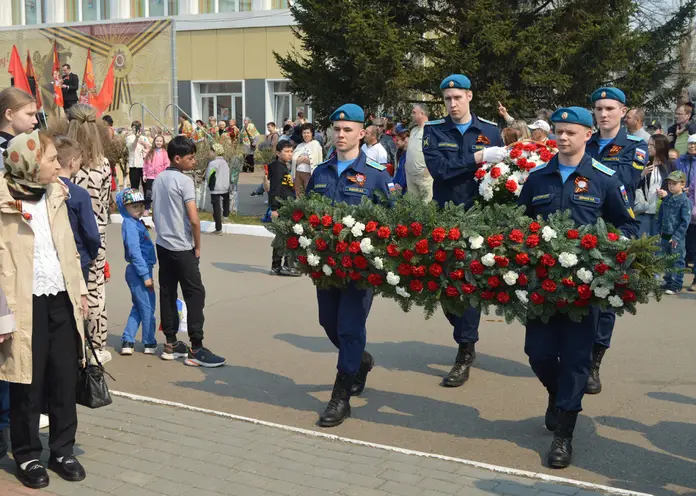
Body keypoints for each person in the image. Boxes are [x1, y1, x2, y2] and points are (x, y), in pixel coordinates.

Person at [519, 106, 638, 469]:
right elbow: (518, 226)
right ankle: (558, 397)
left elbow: (628, 229)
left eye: (571, 131)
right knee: (537, 353)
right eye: (559, 131)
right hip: (544, 288)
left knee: (574, 360)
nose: (563, 137)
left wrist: (602, 258)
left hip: (584, 293)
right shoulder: (539, 178)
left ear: (588, 135)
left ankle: (564, 433)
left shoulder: (603, 178)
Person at [0, 130, 90, 489]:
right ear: (31, 164)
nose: (58, 164)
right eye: (52, 159)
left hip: (62, 298)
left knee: (65, 376)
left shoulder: (56, 193)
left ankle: (63, 450)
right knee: (27, 381)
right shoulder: (3, 200)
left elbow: (67, 248)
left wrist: (80, 290)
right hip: (21, 303)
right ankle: (26, 455)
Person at [306, 104, 393, 428]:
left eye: (347, 130)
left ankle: (340, 398)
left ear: (361, 133)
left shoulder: (375, 173)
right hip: (327, 268)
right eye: (336, 129)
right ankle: (360, 361)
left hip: (360, 270)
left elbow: (392, 217)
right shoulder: (321, 172)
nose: (340, 135)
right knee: (328, 323)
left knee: (349, 327)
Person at [422, 74, 506, 388]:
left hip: (478, 218)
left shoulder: (489, 130)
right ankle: (464, 336)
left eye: (458, 97)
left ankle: (465, 350)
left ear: (469, 96)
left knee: (468, 283)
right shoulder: (433, 131)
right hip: (444, 216)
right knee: (444, 287)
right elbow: (439, 170)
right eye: (447, 98)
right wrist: (477, 157)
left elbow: (500, 177)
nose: (453, 104)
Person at [585, 87, 647, 396]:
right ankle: (574, 356)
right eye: (599, 108)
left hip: (615, 225)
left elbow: (621, 181)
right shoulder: (588, 141)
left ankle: (594, 364)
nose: (604, 114)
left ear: (623, 112)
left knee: (605, 297)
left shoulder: (634, 146)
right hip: (581, 224)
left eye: (610, 108)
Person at [151, 136, 226, 367]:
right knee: (195, 294)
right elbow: (194, 219)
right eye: (190, 158)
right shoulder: (184, 182)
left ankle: (171, 343)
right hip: (183, 246)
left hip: (163, 244)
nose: (193, 161)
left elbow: (155, 212)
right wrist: (198, 246)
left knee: (168, 292)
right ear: (177, 158)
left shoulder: (158, 179)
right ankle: (196, 347)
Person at [0, 88, 40, 453]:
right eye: (29, 114)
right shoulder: (4, 153)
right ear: (10, 115)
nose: (34, 121)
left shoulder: (22, 150)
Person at [68, 104, 112, 366]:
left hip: (66, 233)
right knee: (95, 290)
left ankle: (75, 344)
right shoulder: (103, 165)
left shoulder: (63, 163)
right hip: (96, 233)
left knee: (70, 291)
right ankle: (96, 346)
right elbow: (105, 204)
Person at [117, 189, 157, 355]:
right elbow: (134, 252)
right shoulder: (130, 224)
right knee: (148, 307)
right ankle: (149, 342)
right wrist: (145, 276)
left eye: (141, 205)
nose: (139, 209)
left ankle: (128, 340)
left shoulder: (135, 223)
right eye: (134, 206)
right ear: (124, 207)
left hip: (141, 269)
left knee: (139, 306)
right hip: (139, 270)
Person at [55, 137, 101, 283]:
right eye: (80, 160)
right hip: (78, 257)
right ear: (72, 162)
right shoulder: (80, 194)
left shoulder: (46, 190)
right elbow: (91, 233)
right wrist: (92, 254)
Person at [269, 140, 300, 276]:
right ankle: (286, 266)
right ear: (277, 153)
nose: (289, 154)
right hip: (282, 207)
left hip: (287, 206)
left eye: (291, 151)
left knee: (282, 236)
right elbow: (274, 188)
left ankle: (276, 266)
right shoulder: (277, 168)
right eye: (286, 152)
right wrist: (274, 208)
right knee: (287, 236)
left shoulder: (283, 166)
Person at [658, 171, 692, 295]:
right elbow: (660, 217)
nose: (671, 186)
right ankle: (667, 281)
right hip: (665, 234)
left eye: (674, 184)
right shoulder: (666, 200)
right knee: (667, 259)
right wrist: (658, 232)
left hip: (677, 237)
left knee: (677, 260)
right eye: (669, 184)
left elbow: (685, 222)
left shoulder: (685, 202)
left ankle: (676, 284)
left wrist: (677, 236)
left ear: (682, 184)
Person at [637, 134, 674, 237]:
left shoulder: (670, 165)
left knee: (658, 243)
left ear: (660, 146)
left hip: (661, 210)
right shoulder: (644, 162)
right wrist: (642, 174)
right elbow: (633, 185)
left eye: (652, 145)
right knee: (642, 241)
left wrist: (666, 193)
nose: (648, 147)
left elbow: (676, 186)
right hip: (644, 209)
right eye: (648, 144)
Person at [0, 88, 38, 170]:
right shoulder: (5, 149)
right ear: (9, 115)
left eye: (35, 115)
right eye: (30, 114)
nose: (36, 121)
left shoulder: (18, 144)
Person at [405, 104, 433, 202]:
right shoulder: (413, 130)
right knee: (413, 206)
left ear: (422, 114)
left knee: (426, 206)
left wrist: (428, 169)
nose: (411, 115)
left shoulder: (431, 130)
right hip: (410, 174)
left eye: (414, 113)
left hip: (423, 176)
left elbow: (435, 152)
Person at [205, 143, 231, 235]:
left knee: (216, 208)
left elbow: (209, 176)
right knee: (226, 201)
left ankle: (218, 229)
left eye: (211, 151)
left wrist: (209, 185)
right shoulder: (225, 162)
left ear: (215, 152)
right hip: (225, 186)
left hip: (215, 187)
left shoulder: (213, 163)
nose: (210, 152)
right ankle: (226, 216)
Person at [292, 123, 323, 197]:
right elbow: (294, 160)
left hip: (309, 174)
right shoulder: (300, 145)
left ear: (312, 133)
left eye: (308, 133)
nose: (306, 135)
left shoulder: (316, 144)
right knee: (298, 194)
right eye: (304, 133)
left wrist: (301, 159)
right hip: (298, 173)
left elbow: (314, 161)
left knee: (309, 194)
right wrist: (304, 158)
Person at [142, 134, 169, 213]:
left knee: (160, 193)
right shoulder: (150, 152)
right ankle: (147, 208)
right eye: (157, 141)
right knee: (148, 193)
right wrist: (144, 174)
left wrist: (164, 174)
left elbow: (166, 164)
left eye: (160, 141)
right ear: (154, 142)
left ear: (163, 142)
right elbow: (145, 164)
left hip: (160, 176)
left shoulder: (164, 153)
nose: (159, 142)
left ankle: (159, 209)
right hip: (150, 176)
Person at [125, 121, 150, 191]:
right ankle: (136, 201)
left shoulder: (144, 138)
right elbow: (132, 148)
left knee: (146, 187)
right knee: (134, 188)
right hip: (134, 166)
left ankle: (146, 201)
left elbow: (150, 148)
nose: (135, 129)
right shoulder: (129, 138)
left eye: (137, 127)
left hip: (144, 166)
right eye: (133, 127)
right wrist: (136, 138)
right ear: (131, 128)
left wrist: (143, 142)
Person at [392, 125, 409, 192]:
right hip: (397, 187)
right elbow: (397, 171)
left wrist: (401, 184)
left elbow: (404, 173)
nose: (395, 142)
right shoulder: (400, 153)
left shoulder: (408, 155)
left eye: (397, 140)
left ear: (405, 140)